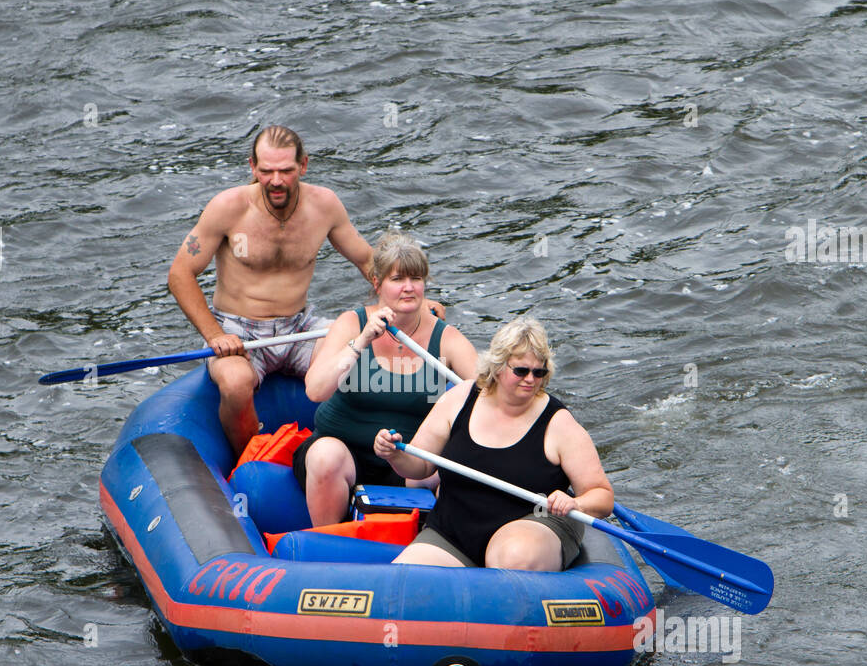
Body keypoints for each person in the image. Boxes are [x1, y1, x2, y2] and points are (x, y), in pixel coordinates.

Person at [167, 125, 375, 456]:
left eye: (286, 171)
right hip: (238, 329)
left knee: (358, 361)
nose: (275, 181)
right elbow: (180, 274)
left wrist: (414, 305)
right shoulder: (228, 207)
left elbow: (368, 261)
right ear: (252, 167)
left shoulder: (324, 205)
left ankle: (353, 455)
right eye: (266, 171)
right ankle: (250, 463)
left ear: (303, 166)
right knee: (235, 384)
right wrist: (215, 335)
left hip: (300, 327)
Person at [373, 318, 614, 572]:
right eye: (521, 371)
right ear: (498, 367)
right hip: (456, 531)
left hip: (533, 524)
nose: (530, 379)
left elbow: (603, 496)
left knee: (511, 557)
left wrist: (576, 503)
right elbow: (419, 466)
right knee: (405, 577)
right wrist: (393, 454)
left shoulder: (559, 424)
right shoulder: (458, 399)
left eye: (539, 372)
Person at [294, 233, 477, 526]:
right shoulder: (351, 323)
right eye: (397, 279)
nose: (408, 287)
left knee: (454, 469)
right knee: (325, 456)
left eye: (415, 279)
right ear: (377, 284)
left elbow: (491, 393)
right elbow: (316, 391)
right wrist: (363, 339)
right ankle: (329, 541)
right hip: (343, 452)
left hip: (409, 462)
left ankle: (439, 543)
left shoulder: (446, 338)